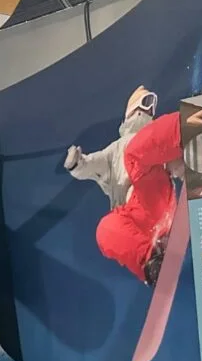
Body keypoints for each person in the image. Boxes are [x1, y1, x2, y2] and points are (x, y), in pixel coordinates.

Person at [66, 86, 184, 286]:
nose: (149, 110)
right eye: (145, 104)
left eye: (151, 106)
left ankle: (186, 126)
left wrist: (183, 163)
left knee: (136, 152)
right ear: (132, 110)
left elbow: (166, 152)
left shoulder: (150, 137)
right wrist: (77, 164)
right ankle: (151, 262)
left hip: (151, 192)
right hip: (137, 217)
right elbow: (92, 164)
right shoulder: (114, 150)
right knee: (105, 230)